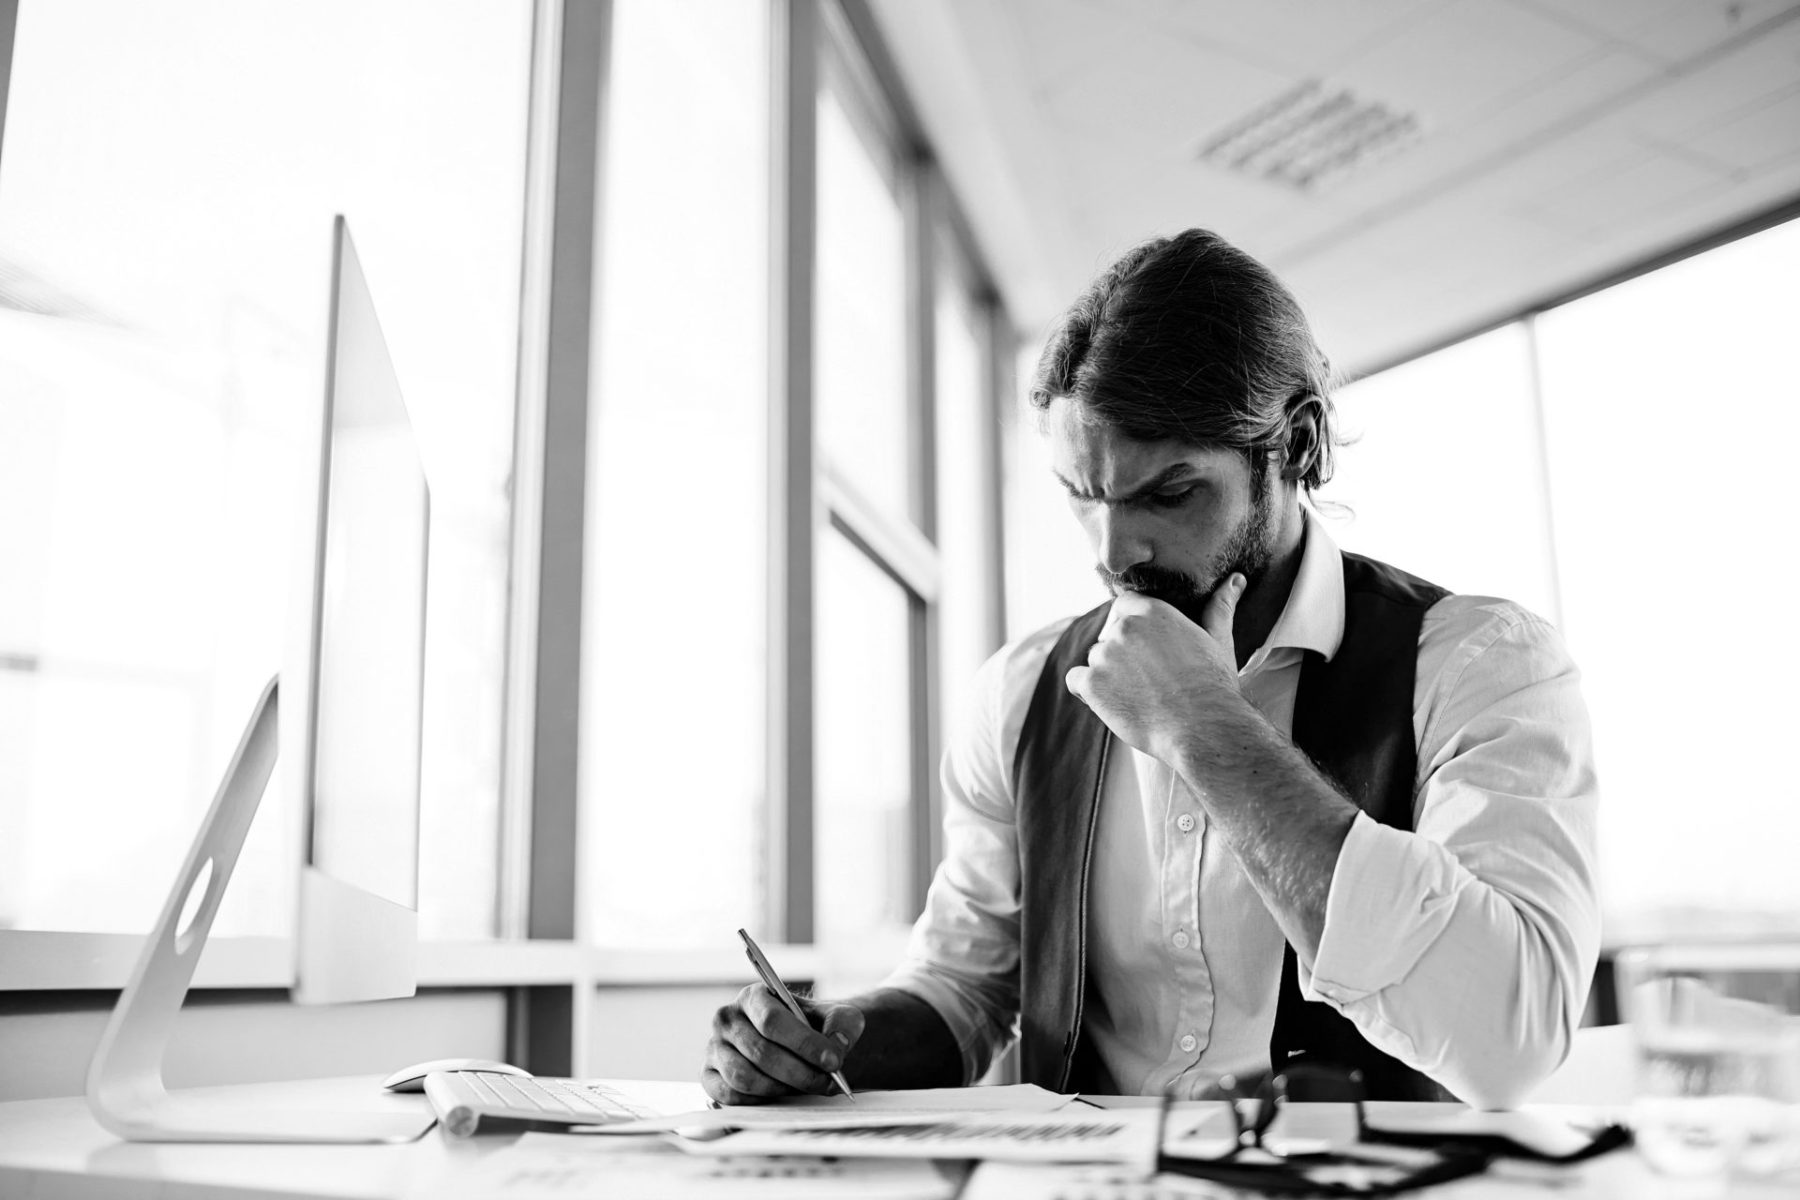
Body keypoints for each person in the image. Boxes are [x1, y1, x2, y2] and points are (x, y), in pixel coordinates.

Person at [702, 228, 1600, 1110]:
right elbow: (965, 988)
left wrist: (1206, 728)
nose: (1115, 551)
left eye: (1168, 493)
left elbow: (1510, 1043)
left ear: (1297, 446)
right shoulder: (1020, 693)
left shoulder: (1480, 664)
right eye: (1082, 497)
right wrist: (825, 1044)